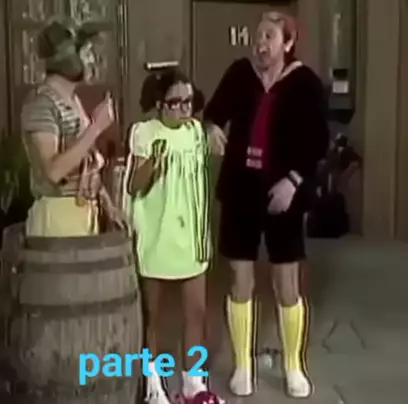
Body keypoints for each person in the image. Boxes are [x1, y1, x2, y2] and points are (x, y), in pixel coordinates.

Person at [202, 11, 330, 398]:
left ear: (288, 43)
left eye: (269, 37)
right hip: (240, 189)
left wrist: (293, 182)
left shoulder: (305, 83)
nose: (260, 44)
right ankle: (242, 366)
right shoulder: (240, 74)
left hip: (283, 191)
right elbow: (213, 113)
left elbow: (317, 142)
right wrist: (211, 128)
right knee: (239, 278)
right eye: (257, 36)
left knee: (286, 282)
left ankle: (293, 366)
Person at [123, 68, 221, 404]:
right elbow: (134, 186)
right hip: (156, 236)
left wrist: (212, 131)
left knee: (197, 312)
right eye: (175, 102)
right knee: (153, 317)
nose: (183, 109)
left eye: (188, 102)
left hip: (191, 237)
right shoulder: (144, 133)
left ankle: (193, 381)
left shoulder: (195, 132)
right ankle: (153, 384)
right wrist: (154, 163)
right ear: (159, 103)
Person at [20, 18, 126, 238]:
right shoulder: (42, 103)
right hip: (58, 214)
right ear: (68, 58)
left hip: (83, 212)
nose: (92, 60)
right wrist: (96, 127)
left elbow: (86, 158)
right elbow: (54, 171)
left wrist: (109, 206)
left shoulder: (73, 100)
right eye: (86, 54)